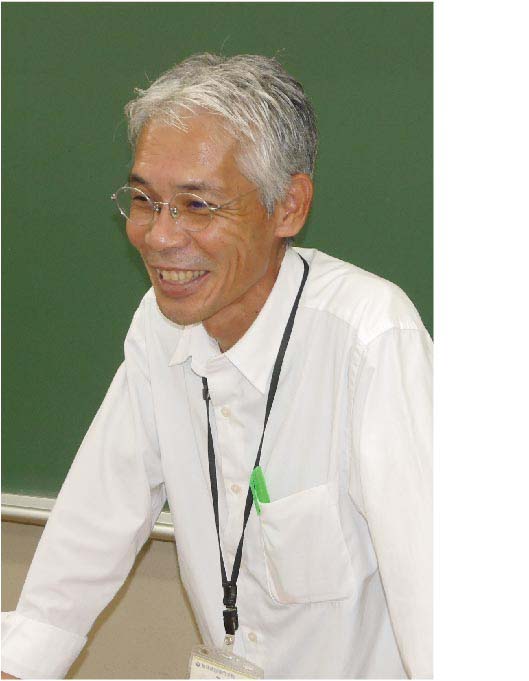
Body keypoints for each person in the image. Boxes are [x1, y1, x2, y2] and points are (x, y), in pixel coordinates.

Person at [1, 53, 432, 679]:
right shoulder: (160, 327)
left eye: (198, 205)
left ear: (288, 207)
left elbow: (441, 605)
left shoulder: (369, 338)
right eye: (145, 200)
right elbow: (91, 528)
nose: (159, 236)